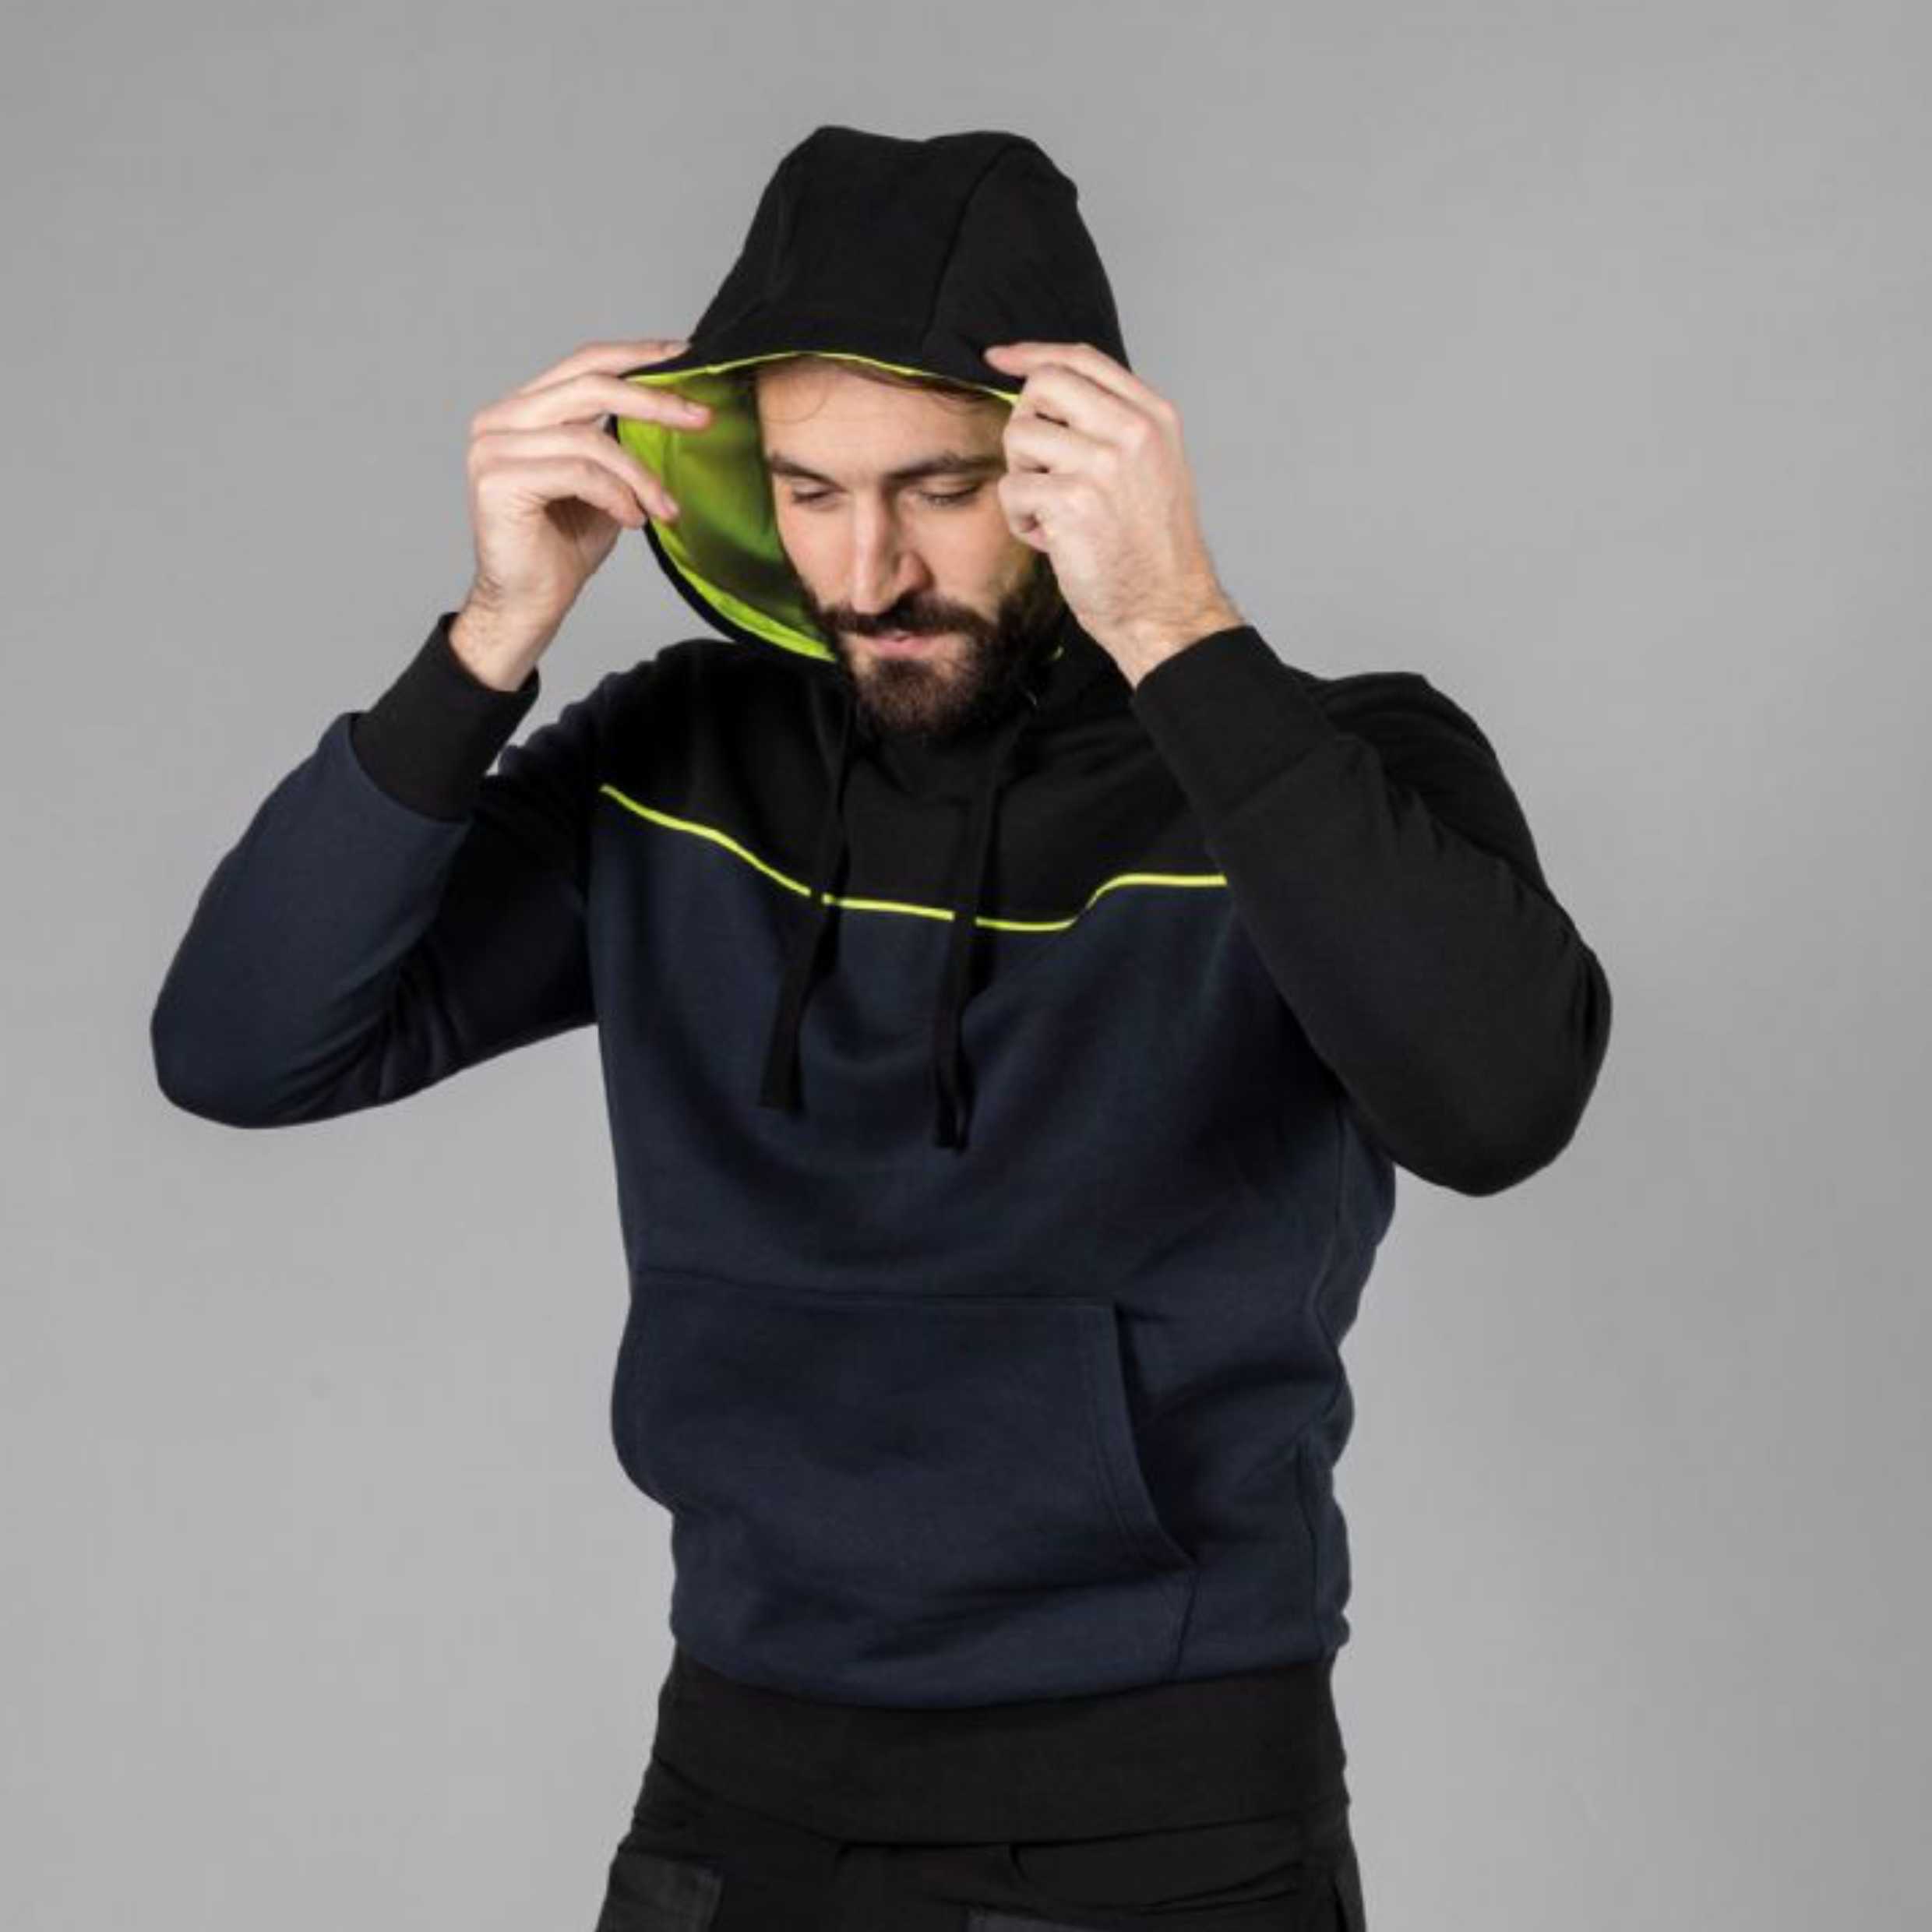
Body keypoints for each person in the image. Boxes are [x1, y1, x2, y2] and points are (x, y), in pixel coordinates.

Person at [150, 122, 1613, 1930]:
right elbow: (242, 1047)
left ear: (1073, 464)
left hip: (1161, 1820)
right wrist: (490, 637)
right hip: (738, 1789)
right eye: (809, 489)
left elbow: (1498, 1106)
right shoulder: (679, 757)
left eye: (938, 487)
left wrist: (1177, 625)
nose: (865, 570)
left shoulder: (1329, 769)